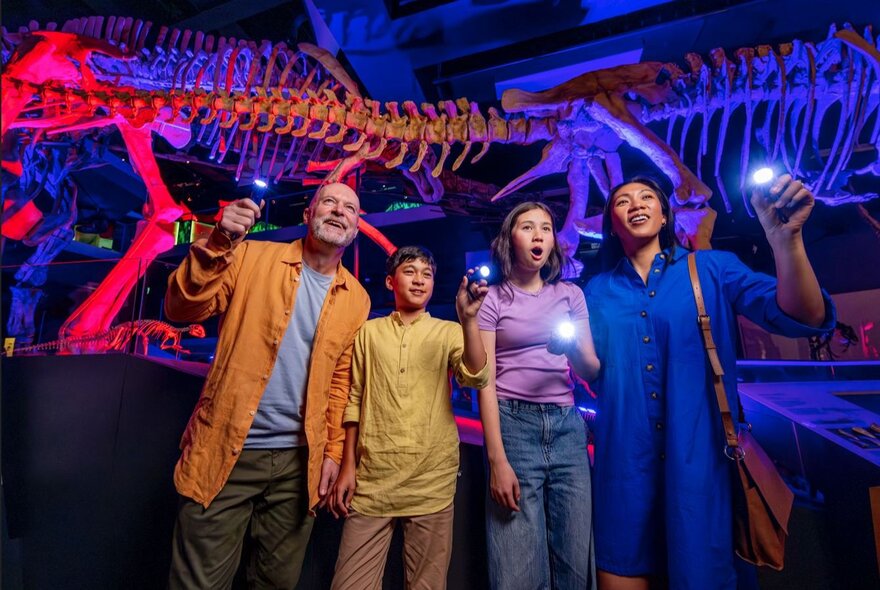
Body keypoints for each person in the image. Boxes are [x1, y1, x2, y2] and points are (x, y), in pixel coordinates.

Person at [584, 174, 836, 589]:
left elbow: (803, 316)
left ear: (664, 215)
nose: (635, 203)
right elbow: (589, 372)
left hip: (701, 471)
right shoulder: (596, 291)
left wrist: (785, 240)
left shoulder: (712, 269)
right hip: (622, 472)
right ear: (611, 223)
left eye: (647, 197)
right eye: (622, 201)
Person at [164, 182, 371, 589]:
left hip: (299, 466)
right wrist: (218, 240)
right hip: (225, 450)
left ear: (357, 226)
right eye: (328, 201)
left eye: (349, 207)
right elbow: (181, 307)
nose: (338, 210)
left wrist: (332, 452)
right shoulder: (250, 256)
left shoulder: (357, 298)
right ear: (307, 215)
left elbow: (339, 383)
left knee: (277, 584)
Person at [328, 245, 490, 589]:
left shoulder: (447, 332)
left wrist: (470, 320)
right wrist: (347, 467)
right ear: (390, 281)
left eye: (427, 274)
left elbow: (476, 376)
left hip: (430, 481)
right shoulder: (369, 333)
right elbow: (354, 400)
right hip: (372, 481)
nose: (419, 280)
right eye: (409, 271)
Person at [477, 201, 601, 589]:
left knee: (575, 559)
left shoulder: (570, 295)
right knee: (516, 563)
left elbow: (591, 370)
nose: (538, 235)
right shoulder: (492, 298)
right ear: (509, 239)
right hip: (512, 424)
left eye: (546, 228)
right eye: (527, 227)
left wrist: (569, 348)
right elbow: (484, 378)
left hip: (566, 426)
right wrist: (497, 459)